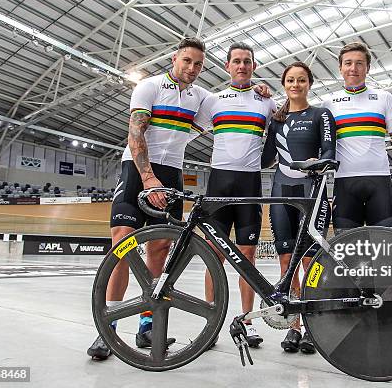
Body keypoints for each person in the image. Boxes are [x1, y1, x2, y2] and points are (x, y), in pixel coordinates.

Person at [87, 38, 270, 360]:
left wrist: (261, 90)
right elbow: (135, 134)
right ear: (175, 58)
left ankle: (147, 325)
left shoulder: (204, 98)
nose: (192, 68)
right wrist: (148, 178)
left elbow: (235, 107)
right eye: (187, 61)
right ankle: (108, 328)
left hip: (172, 173)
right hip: (138, 170)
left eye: (198, 64)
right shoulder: (149, 86)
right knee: (123, 245)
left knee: (160, 249)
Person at [193, 43, 276, 348]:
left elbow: (281, 133)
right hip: (218, 184)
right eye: (236, 61)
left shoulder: (266, 101)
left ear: (254, 66)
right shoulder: (213, 101)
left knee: (247, 258)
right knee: (213, 257)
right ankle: (210, 323)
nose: (242, 66)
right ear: (227, 66)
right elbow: (187, 132)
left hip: (250, 184)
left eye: (247, 62)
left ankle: (247, 321)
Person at [261, 61, 336, 354]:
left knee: (310, 264)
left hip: (311, 194)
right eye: (290, 80)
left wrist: (314, 165)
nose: (295, 85)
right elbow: (266, 158)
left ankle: (312, 327)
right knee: (286, 263)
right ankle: (293, 326)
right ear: (284, 84)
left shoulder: (321, 114)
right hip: (281, 194)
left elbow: (330, 151)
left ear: (309, 83)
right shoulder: (276, 119)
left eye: (301, 80)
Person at [321, 42, 392, 232]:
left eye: (359, 63)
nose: (353, 68)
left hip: (380, 182)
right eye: (348, 63)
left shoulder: (384, 98)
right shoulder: (328, 103)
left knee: (385, 252)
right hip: (344, 184)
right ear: (340, 68)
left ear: (368, 68)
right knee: (346, 256)